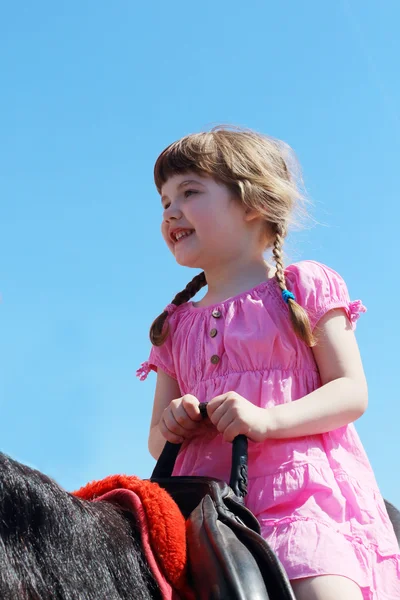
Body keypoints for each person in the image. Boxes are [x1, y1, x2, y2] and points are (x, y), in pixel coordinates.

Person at [137, 126, 400, 599]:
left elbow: (350, 390)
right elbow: (157, 440)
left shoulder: (301, 287)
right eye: (164, 201)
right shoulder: (175, 326)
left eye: (189, 192)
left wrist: (266, 418)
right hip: (200, 511)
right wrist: (174, 423)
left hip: (301, 500)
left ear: (254, 201)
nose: (170, 211)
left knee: (323, 592)